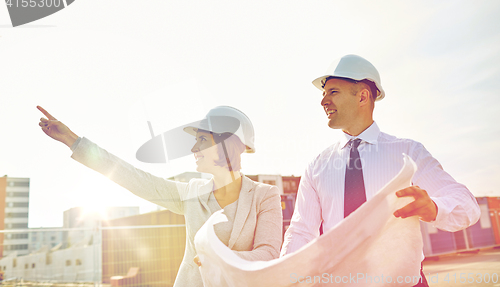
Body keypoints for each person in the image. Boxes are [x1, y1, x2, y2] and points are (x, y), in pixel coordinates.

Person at [280, 55, 480, 286]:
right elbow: (302, 231)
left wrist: (434, 208)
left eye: (333, 92)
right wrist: (284, 277)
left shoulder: (408, 153)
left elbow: (467, 205)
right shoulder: (316, 166)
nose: (323, 101)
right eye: (324, 94)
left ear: (363, 96)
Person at [37, 105, 282, 287]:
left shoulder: (264, 196)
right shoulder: (191, 193)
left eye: (202, 140)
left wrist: (218, 257)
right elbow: (133, 177)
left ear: (227, 144)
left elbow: (268, 253)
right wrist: (72, 140)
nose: (193, 149)